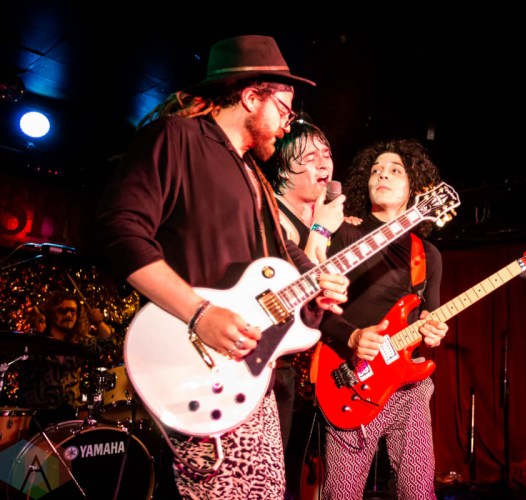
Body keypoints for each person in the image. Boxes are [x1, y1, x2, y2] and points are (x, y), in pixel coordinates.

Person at [94, 34, 350, 499]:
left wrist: (318, 283)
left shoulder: (253, 174)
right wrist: (201, 313)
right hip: (197, 364)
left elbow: (281, 257)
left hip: (250, 372)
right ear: (251, 97)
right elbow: (120, 230)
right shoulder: (177, 137)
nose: (287, 125)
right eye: (284, 110)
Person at [316, 139, 449, 499]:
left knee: (419, 492)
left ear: (413, 186)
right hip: (349, 379)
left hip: (407, 387)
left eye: (394, 170)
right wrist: (353, 337)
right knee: (342, 494)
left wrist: (434, 330)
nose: (382, 176)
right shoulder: (345, 233)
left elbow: (428, 316)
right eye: (375, 171)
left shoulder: (427, 254)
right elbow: (315, 310)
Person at [263, 116, 345, 496]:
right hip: (273, 368)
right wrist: (321, 230)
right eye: (310, 158)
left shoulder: (322, 214)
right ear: (283, 169)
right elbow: (297, 289)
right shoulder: (272, 216)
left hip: (311, 371)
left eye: (326, 155)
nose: (324, 164)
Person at [17, 290, 115, 428]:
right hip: (38, 417)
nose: (69, 315)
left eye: (73, 311)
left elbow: (108, 343)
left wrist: (99, 323)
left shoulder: (79, 342)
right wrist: (36, 331)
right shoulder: (36, 341)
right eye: (63, 311)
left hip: (70, 416)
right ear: (51, 313)